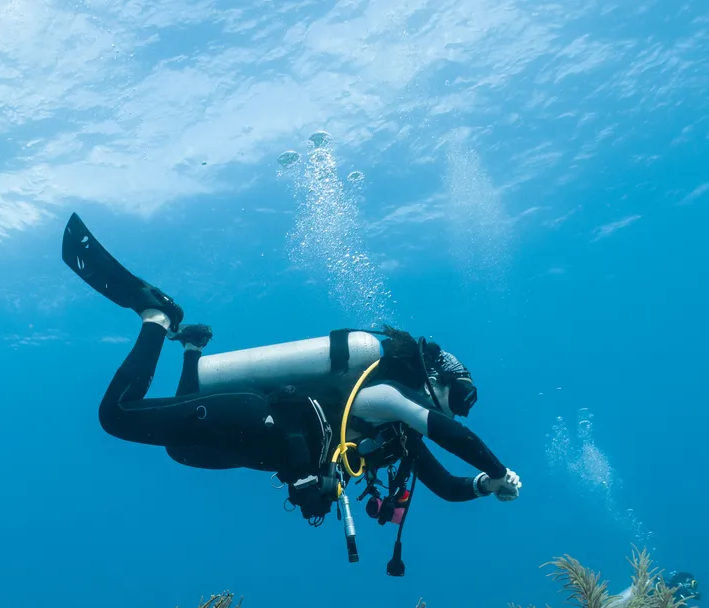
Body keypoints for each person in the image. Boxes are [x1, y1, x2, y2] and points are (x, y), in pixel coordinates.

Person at [62, 214, 520, 568]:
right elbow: (450, 435)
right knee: (116, 416)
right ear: (432, 380)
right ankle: (156, 316)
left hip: (260, 448)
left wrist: (487, 485)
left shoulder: (399, 436)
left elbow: (444, 485)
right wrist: (499, 466)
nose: (458, 414)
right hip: (256, 418)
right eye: (457, 399)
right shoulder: (384, 398)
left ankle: (191, 350)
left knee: (179, 450)